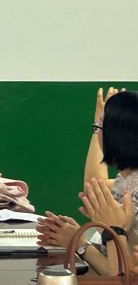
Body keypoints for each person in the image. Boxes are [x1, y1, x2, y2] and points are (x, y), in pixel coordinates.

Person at [37, 88, 138, 275]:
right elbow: (96, 190)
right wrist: (78, 238)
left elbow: (121, 273)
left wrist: (79, 243)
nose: (97, 134)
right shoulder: (127, 178)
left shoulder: (134, 187)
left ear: (115, 135)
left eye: (98, 128)